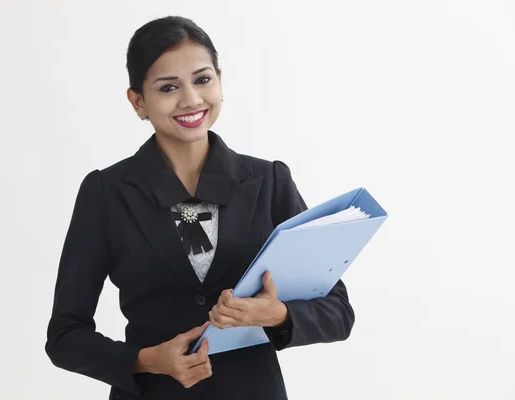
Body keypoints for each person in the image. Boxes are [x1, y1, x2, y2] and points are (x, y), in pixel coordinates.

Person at [44, 15, 355, 400]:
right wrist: (146, 360)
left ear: (220, 81)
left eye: (202, 79)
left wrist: (278, 315)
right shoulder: (106, 192)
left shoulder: (270, 181)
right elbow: (64, 336)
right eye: (168, 87)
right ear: (138, 101)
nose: (191, 99)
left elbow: (338, 312)